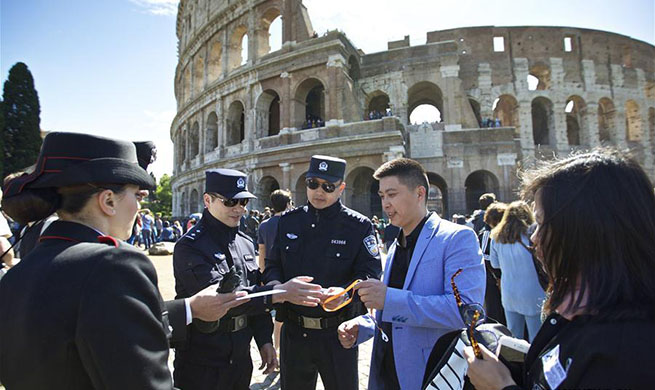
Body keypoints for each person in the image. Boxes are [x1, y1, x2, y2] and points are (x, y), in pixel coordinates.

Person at [0, 132, 248, 389]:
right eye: (137, 196)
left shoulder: (18, 274)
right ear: (108, 200)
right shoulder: (113, 265)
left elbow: (92, 324)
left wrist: (190, 308)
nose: (139, 208)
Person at [465, 148, 655, 390]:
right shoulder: (581, 307)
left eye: (542, 223)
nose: (534, 238)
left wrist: (501, 386)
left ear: (584, 230)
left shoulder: (628, 350)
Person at [337, 157, 485, 390]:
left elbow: (465, 312)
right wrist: (364, 325)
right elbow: (393, 311)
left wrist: (388, 299)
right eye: (382, 196)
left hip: (429, 373)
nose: (385, 204)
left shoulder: (457, 238)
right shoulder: (396, 245)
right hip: (386, 372)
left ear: (419, 193)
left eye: (392, 194)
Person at [172, 169, 320, 390]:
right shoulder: (190, 246)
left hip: (240, 358)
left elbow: (254, 290)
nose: (239, 209)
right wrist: (281, 293)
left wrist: (264, 341)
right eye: (231, 201)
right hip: (203, 358)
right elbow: (222, 301)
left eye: (243, 202)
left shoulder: (244, 241)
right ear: (207, 200)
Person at [264, 155, 383, 390]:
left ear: (341, 187)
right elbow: (272, 265)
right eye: (313, 184)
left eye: (328, 186)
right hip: (295, 333)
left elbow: (370, 274)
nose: (319, 191)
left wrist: (346, 293)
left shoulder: (358, 225)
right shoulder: (288, 221)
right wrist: (280, 288)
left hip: (338, 334)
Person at [489, 201, 545, 341]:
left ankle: (514, 363)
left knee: (513, 336)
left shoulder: (496, 237)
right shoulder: (531, 236)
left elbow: (495, 265)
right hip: (533, 292)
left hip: (509, 292)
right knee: (536, 337)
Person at [478, 201, 508, 325]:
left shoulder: (503, 233)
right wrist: (497, 276)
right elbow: (484, 256)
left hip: (498, 277)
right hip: (493, 278)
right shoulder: (487, 234)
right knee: (495, 310)